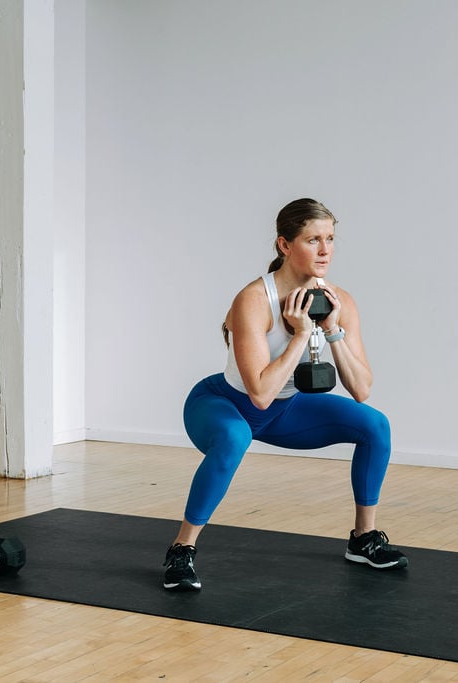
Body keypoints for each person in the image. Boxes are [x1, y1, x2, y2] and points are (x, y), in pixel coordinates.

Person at [163, 198, 408, 591]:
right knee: (235, 436)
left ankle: (363, 539)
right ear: (284, 245)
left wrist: (331, 329)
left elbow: (362, 389)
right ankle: (182, 549)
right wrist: (299, 334)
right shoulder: (254, 300)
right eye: (313, 239)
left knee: (375, 425)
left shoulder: (339, 300)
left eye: (330, 239)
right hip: (223, 405)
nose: (326, 250)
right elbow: (259, 394)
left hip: (286, 411)